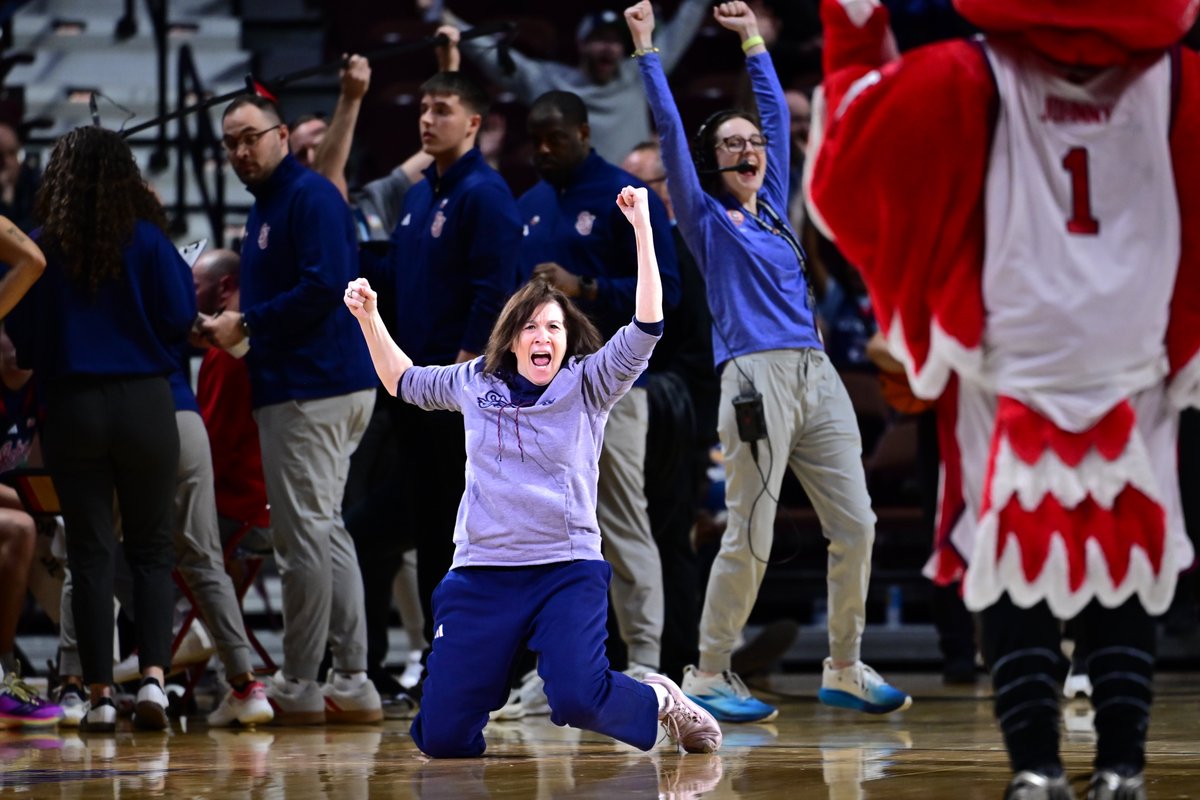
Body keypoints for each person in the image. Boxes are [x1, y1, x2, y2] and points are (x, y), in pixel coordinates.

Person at [806, 0, 1200, 796]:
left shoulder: (961, 74)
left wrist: (853, 31)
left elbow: (847, 164)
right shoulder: (1184, 85)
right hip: (1132, 365)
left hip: (1005, 364)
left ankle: (1037, 770)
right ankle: (1121, 764)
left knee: (1011, 562)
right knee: (1123, 560)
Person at [344, 184, 721, 759]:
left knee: (576, 698)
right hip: (482, 572)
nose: (542, 336)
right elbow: (404, 381)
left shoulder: (589, 384)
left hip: (564, 569)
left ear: (567, 341)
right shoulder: (474, 383)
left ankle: (658, 701)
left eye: (554, 328)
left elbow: (648, 325)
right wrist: (371, 319)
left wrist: (644, 228)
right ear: (511, 339)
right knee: (442, 738)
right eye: (530, 327)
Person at [627, 0, 911, 724]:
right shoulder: (704, 218)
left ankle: (844, 664)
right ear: (713, 163)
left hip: (817, 374)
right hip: (754, 379)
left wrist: (754, 38)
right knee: (751, 530)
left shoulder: (777, 208)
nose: (749, 149)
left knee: (858, 525)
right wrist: (647, 47)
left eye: (752, 140)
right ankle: (710, 668)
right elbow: (668, 131)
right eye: (732, 145)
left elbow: (781, 123)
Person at [7, 126, 195, 733]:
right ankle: (156, 686)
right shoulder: (149, 240)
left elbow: (26, 344)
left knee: (87, 552)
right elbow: (181, 316)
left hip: (71, 407)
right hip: (145, 401)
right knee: (152, 551)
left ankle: (96, 694)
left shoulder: (41, 245)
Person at [205, 95, 381, 725]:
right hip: (310, 384)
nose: (240, 151)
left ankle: (301, 681)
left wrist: (246, 322)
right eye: (229, 142)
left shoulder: (308, 197)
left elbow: (324, 289)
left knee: (301, 536)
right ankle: (354, 678)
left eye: (249, 137)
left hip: (316, 387)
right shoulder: (271, 204)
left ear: (281, 135)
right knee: (323, 529)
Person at [353, 69, 522, 709]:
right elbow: (397, 278)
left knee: (462, 540)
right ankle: (440, 665)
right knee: (422, 535)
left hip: (458, 398)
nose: (428, 118)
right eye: (423, 107)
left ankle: (488, 671)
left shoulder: (487, 194)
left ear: (474, 123)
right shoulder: (423, 195)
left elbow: (493, 293)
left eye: (442, 109)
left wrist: (461, 382)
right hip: (415, 395)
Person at [517, 90, 680, 690]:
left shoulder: (624, 197)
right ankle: (552, 665)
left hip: (611, 384)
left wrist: (582, 286)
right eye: (534, 138)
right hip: (540, 393)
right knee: (548, 526)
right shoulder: (529, 203)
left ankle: (646, 659)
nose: (542, 149)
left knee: (619, 518)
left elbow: (669, 295)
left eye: (555, 138)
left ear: (584, 133)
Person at [444, 2, 710, 164]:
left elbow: (680, 31)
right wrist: (444, 18)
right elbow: (497, 59)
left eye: (614, 41)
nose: (608, 48)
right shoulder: (553, 83)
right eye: (599, 39)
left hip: (636, 198)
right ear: (581, 44)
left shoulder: (639, 75)